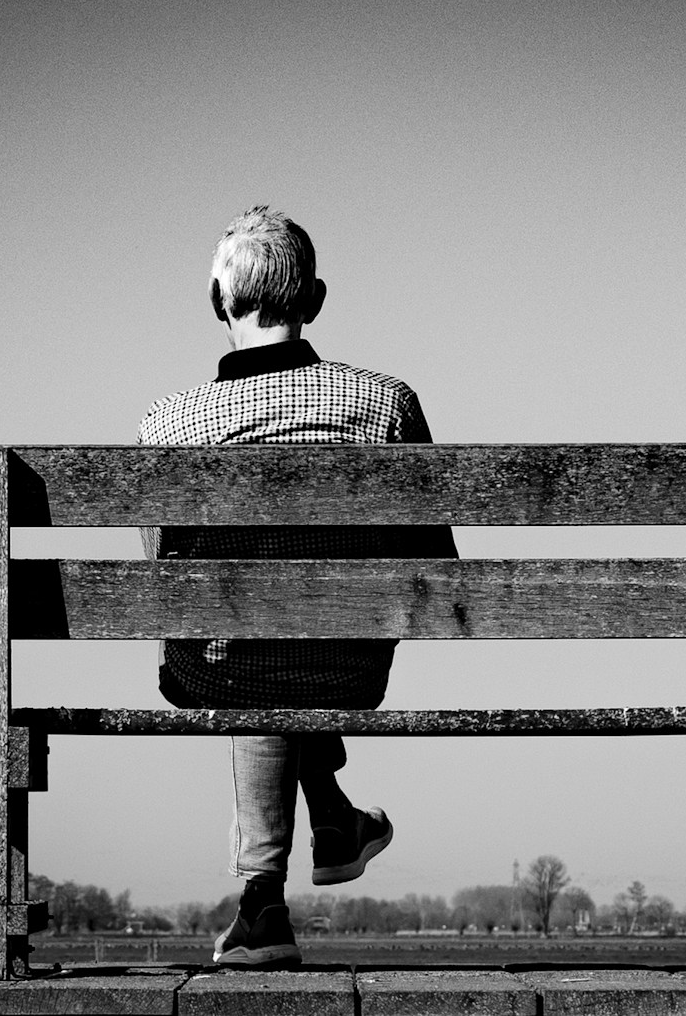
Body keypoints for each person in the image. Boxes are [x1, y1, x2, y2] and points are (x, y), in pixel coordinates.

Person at [137, 206, 455, 966]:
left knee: (239, 648)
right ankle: (335, 818)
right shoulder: (386, 404)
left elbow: (158, 578)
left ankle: (261, 900)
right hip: (349, 662)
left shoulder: (167, 424)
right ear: (313, 299)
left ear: (220, 304)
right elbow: (435, 560)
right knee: (289, 644)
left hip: (217, 663)